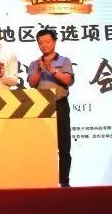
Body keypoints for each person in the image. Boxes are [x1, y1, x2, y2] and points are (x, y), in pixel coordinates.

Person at [27, 28, 76, 187]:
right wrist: (40, 70)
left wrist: (51, 69)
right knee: (42, 145)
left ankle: (64, 182)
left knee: (64, 146)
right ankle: (44, 181)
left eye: (47, 42)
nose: (44, 45)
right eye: (41, 43)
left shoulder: (64, 61)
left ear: (54, 42)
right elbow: (32, 83)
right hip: (42, 107)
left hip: (60, 104)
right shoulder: (34, 64)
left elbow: (67, 80)